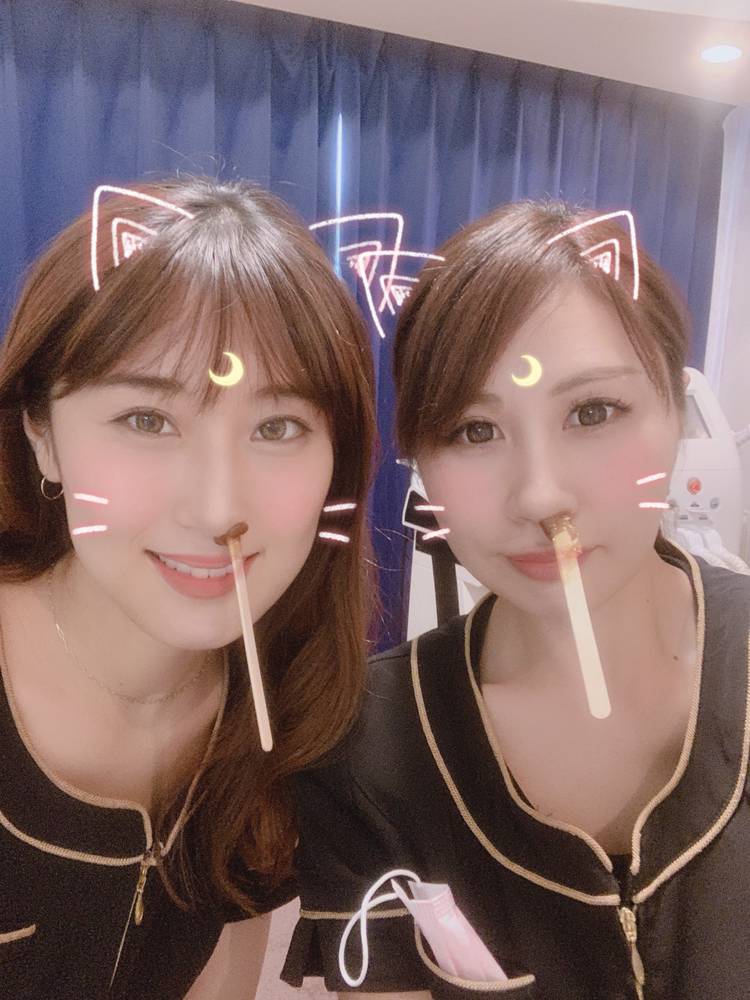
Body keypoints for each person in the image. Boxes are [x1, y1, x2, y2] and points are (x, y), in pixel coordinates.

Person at [282, 201, 750, 999]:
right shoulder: (367, 751)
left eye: (592, 412)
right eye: (474, 431)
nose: (539, 495)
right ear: (419, 460)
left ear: (677, 415)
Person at [0, 177, 375, 999]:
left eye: (278, 427)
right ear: (42, 435)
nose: (217, 510)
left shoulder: (290, 709)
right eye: (147, 420)